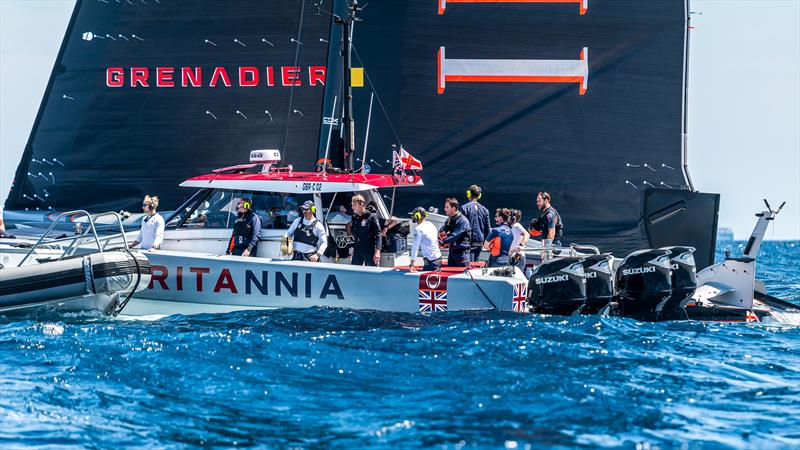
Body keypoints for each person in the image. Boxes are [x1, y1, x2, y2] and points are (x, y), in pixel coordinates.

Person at [460, 184, 491, 262]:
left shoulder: (464, 208)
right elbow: (487, 228)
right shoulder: (485, 210)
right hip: (480, 242)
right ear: (479, 195)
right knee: (476, 263)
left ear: (469, 194)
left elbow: (462, 226)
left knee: (469, 265)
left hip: (468, 243)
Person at [349, 194, 382, 266]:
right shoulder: (355, 218)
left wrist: (378, 251)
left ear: (361, 205)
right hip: (358, 249)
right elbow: (355, 235)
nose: (352, 207)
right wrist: (353, 251)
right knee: (354, 271)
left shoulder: (372, 216)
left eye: (354, 205)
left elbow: (378, 234)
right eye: (352, 205)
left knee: (373, 272)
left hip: (369, 249)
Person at [439, 197, 471, 268]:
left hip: (462, 255)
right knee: (450, 277)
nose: (444, 209)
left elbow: (455, 235)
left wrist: (442, 242)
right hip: (452, 253)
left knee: (464, 277)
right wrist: (438, 237)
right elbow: (442, 230)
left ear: (453, 208)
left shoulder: (463, 221)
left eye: (447, 207)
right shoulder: (449, 220)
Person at [408, 207, 442, 272]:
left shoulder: (418, 229)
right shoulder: (431, 224)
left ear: (417, 216)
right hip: (438, 258)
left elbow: (415, 247)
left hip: (431, 261)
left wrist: (412, 265)